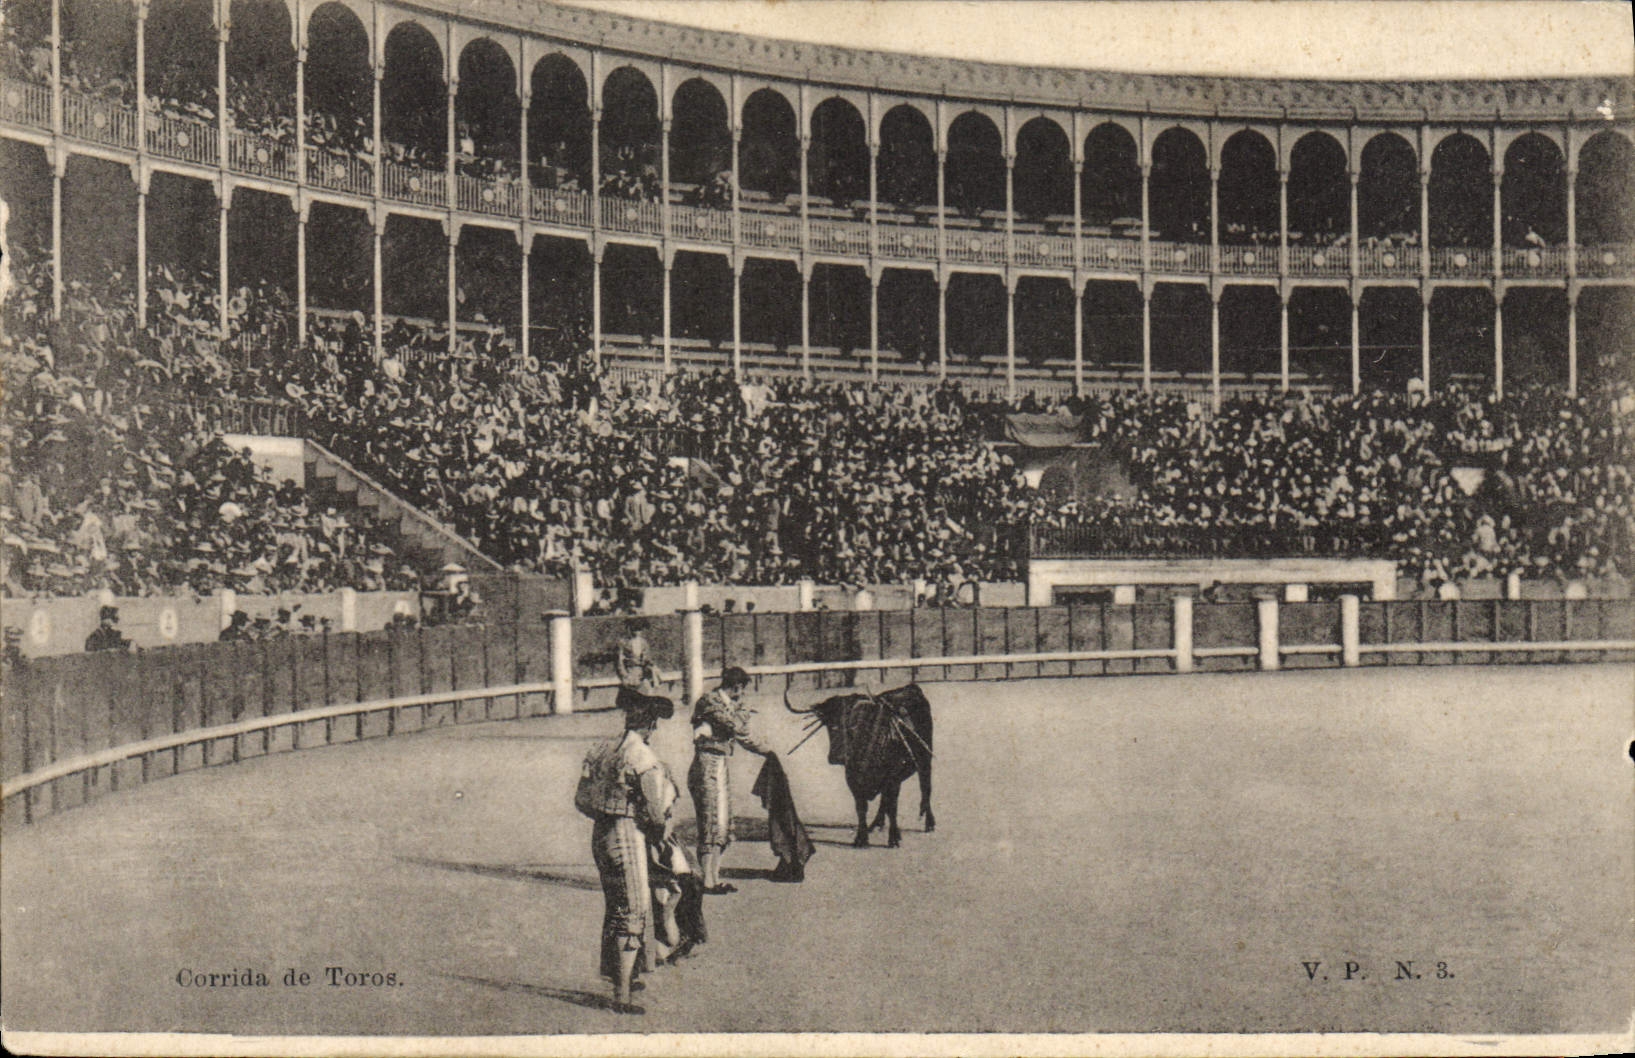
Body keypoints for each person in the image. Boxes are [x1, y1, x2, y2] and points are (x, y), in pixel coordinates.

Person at [574, 694, 678, 1012]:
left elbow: (580, 799)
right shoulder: (642, 755)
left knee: (616, 906)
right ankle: (621, 994)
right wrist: (659, 836)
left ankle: (623, 976)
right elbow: (656, 812)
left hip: (600, 834)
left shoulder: (601, 747)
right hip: (626, 834)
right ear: (650, 724)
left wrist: (607, 811)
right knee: (633, 909)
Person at [687, 666, 769, 894]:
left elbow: (738, 728)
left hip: (719, 763)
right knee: (712, 822)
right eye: (741, 690)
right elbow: (737, 728)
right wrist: (766, 749)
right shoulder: (709, 702)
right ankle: (706, 880)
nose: (742, 695)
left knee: (722, 824)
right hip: (706, 765)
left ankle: (712, 878)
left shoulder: (723, 703)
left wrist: (766, 751)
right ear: (737, 687)